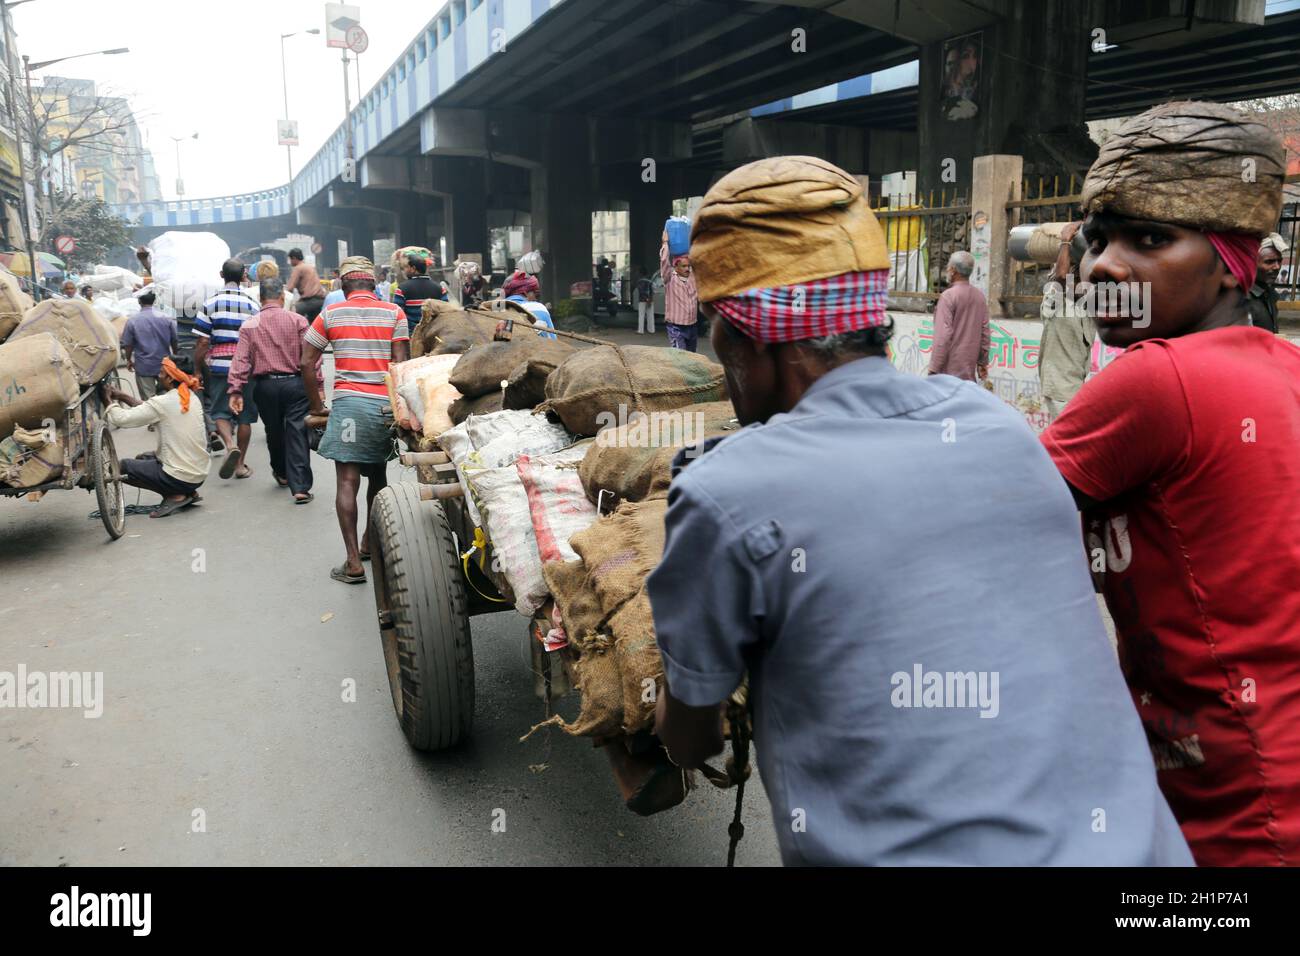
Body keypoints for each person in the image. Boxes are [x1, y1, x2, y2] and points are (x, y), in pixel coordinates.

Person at [646, 155, 1192, 867]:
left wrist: (675, 693)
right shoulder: (1000, 427)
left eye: (721, 331)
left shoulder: (728, 491)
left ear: (753, 340)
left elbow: (695, 737)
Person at [1040, 101, 1300, 866]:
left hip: (1238, 811)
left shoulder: (1156, 379)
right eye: (1101, 239)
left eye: (1150, 239)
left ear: (1230, 260)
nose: (1105, 267)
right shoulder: (1283, 368)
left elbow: (977, 509)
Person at [301, 256, 409, 585]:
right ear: (374, 284)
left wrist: (318, 405)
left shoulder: (330, 313)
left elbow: (306, 362)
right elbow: (401, 365)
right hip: (383, 407)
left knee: (347, 481)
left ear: (343, 285)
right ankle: (368, 543)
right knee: (377, 475)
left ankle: (352, 562)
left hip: (348, 405)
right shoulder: (395, 312)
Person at [226, 277, 317, 504]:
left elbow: (241, 360)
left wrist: (235, 389)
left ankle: (282, 473)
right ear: (283, 297)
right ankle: (301, 488)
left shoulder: (250, 325)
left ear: (259, 299)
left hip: (264, 386)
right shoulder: (298, 321)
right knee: (297, 431)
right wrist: (318, 388)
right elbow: (310, 359)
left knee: (273, 431)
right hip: (296, 384)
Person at [102, 358, 210, 518]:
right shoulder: (191, 397)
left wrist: (107, 400)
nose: (158, 376)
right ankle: (187, 491)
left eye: (161, 373)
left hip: (180, 477)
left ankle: (176, 494)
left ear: (170, 378)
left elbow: (121, 419)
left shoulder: (164, 402)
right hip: (199, 474)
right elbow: (150, 408)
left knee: (121, 467)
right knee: (142, 457)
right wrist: (122, 396)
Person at [193, 258, 260, 480]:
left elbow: (202, 342)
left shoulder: (210, 303)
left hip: (220, 366)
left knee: (220, 410)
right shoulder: (252, 304)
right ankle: (240, 465)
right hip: (246, 365)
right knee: (245, 416)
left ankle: (230, 444)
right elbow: (258, 340)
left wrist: (197, 369)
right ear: (243, 276)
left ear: (222, 275)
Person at [1037, 222, 1093, 418]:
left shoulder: (1089, 305)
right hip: (1059, 387)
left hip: (1076, 385)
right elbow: (1060, 276)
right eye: (1077, 277)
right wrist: (1066, 240)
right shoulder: (1055, 298)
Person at [928, 250, 989, 381]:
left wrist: (933, 368)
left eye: (948, 266)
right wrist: (982, 362)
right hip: (968, 373)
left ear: (953, 270)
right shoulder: (979, 297)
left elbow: (943, 336)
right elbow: (985, 333)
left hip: (948, 373)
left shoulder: (948, 297)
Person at [120, 289, 178, 399]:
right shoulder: (166, 318)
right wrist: (175, 355)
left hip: (144, 365)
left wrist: (128, 359)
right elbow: (174, 340)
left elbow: (128, 344)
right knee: (168, 396)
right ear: (154, 301)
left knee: (149, 400)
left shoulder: (133, 321)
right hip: (165, 364)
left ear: (139, 302)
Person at [659, 231, 699, 351]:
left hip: (692, 325)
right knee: (680, 357)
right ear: (675, 267)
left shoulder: (693, 278)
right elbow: (664, 263)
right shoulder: (670, 279)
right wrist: (665, 243)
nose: (687, 269)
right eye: (684, 266)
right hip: (676, 327)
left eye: (689, 266)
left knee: (692, 357)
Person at [1246, 232, 1288, 333]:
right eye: (1269, 262)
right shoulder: (1241, 300)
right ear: (1251, 263)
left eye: (1279, 261)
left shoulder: (1271, 295)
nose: (1277, 267)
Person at [502, 271, 556, 340]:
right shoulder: (539, 307)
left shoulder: (495, 307)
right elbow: (554, 340)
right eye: (535, 294)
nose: (535, 298)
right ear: (525, 293)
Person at [392, 254, 442, 329]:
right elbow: (445, 313)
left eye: (406, 267)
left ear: (413, 268)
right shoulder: (439, 288)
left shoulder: (402, 289)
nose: (404, 270)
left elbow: (398, 316)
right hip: (434, 335)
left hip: (411, 335)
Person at [286, 248, 325, 322]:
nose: (289, 262)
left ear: (294, 258)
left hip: (309, 301)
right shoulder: (310, 267)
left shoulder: (298, 268)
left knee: (290, 314)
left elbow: (290, 288)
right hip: (320, 300)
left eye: (290, 259)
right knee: (313, 321)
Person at [635, 266, 655, 335]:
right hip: (650, 299)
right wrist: (650, 299)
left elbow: (642, 291)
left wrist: (646, 299)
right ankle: (651, 330)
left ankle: (640, 330)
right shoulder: (650, 280)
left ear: (640, 273)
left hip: (642, 300)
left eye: (638, 272)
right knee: (650, 315)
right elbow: (652, 291)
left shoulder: (640, 281)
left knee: (641, 315)